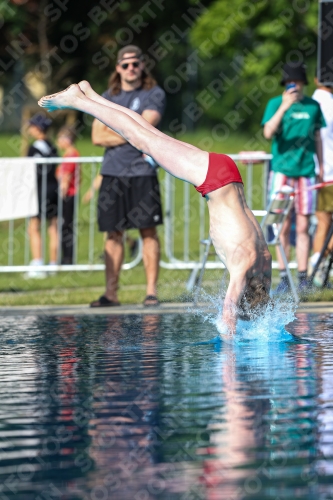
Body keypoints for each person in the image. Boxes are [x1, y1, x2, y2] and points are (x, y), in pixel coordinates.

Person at [37, 81, 272, 334]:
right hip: (211, 179)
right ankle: (78, 101)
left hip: (228, 175)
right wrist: (231, 348)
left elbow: (263, 293)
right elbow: (228, 313)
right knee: (141, 139)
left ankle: (90, 94)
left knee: (147, 134)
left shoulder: (263, 262)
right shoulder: (242, 267)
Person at [90, 45, 166, 308]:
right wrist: (131, 132)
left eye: (135, 63)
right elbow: (96, 136)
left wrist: (126, 131)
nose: (131, 68)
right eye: (126, 64)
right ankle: (111, 294)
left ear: (142, 65)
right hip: (112, 173)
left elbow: (145, 127)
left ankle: (151, 292)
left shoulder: (153, 93)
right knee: (113, 234)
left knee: (148, 232)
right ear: (118, 68)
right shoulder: (106, 97)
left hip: (142, 171)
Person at [262, 62, 326, 294]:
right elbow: (268, 132)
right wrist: (284, 107)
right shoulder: (275, 104)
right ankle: (283, 276)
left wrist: (321, 164)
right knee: (281, 224)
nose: (295, 87)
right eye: (291, 83)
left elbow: (318, 137)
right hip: (282, 171)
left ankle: (302, 276)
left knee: (303, 224)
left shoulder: (313, 106)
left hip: (306, 171)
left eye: (298, 83)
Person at [26, 113, 58, 278]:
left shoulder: (33, 148)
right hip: (54, 189)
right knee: (53, 227)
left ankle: (38, 263)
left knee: (34, 227)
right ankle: (53, 264)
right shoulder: (53, 147)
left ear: (38, 129)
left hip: (39, 190)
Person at [309, 77, 333, 284]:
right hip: (328, 174)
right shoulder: (326, 104)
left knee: (323, 222)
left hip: (318, 173)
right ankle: (318, 265)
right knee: (325, 223)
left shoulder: (311, 104)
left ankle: (318, 263)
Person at [56, 125, 80, 264]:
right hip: (69, 193)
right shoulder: (68, 154)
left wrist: (62, 193)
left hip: (68, 195)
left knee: (66, 225)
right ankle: (65, 256)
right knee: (64, 226)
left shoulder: (72, 154)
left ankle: (67, 258)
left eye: (60, 138)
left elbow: (66, 176)